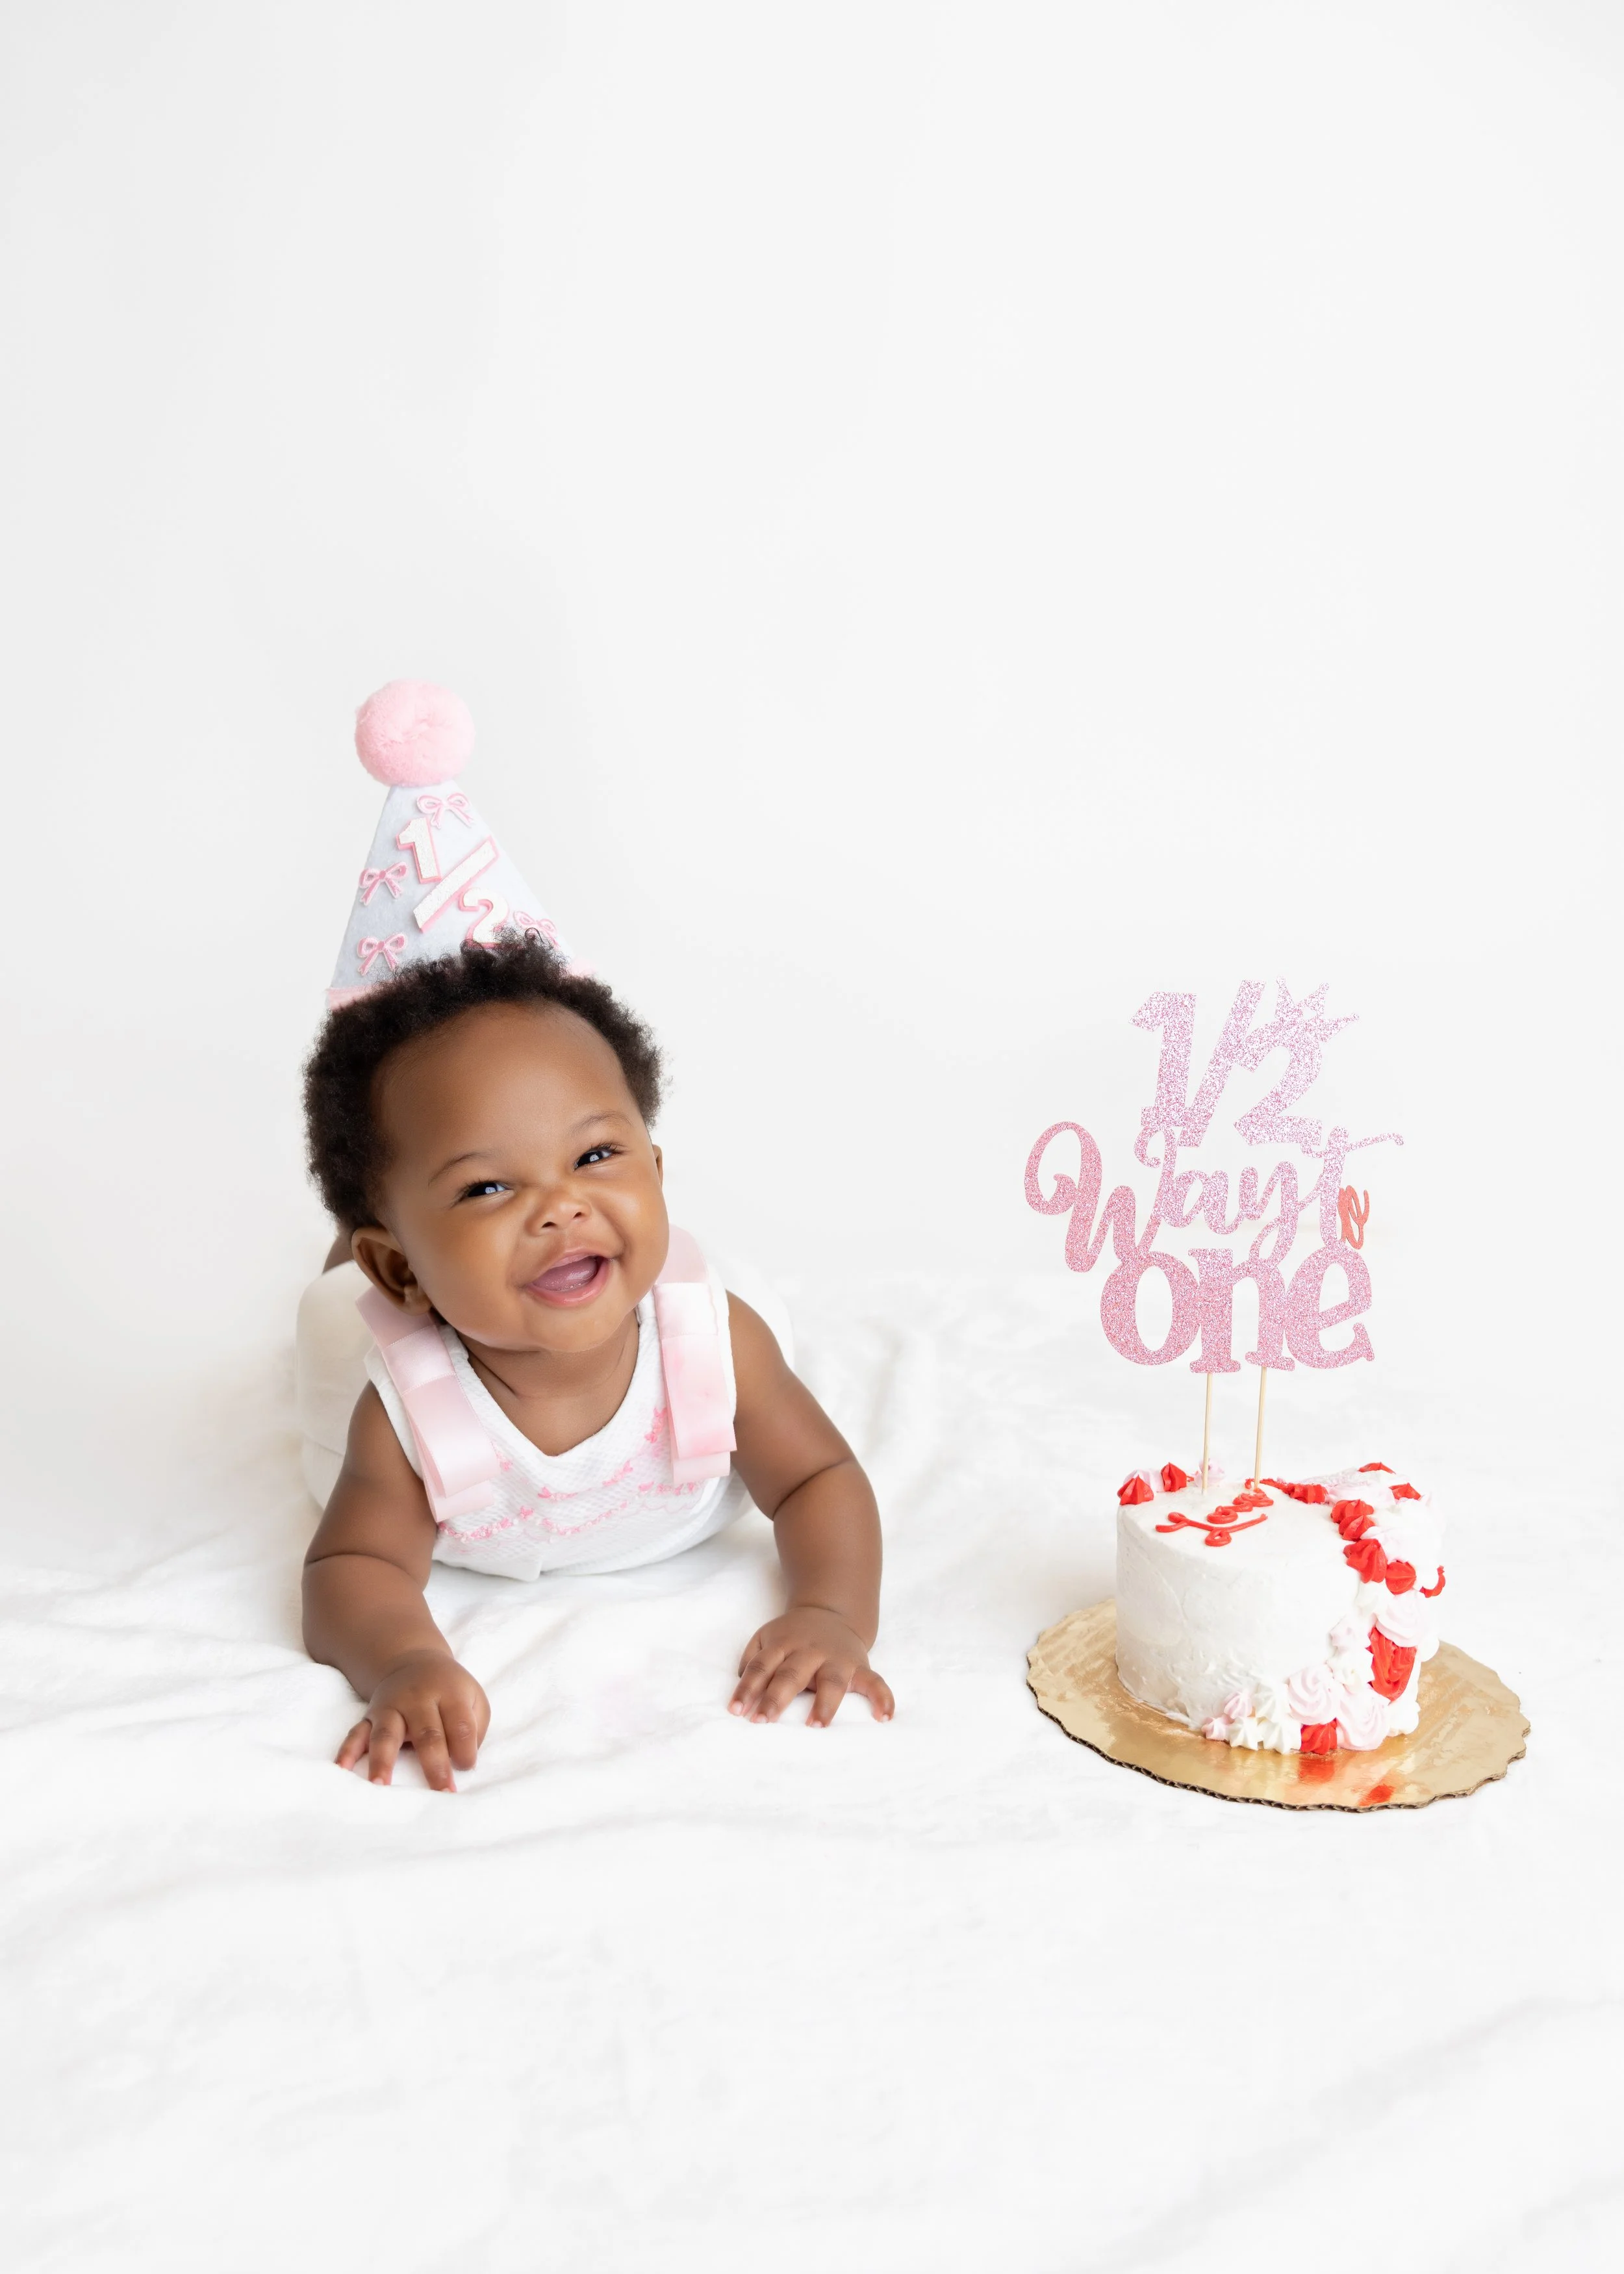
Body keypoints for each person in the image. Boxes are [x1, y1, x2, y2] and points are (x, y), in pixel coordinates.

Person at [300, 934, 893, 1788]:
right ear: (399, 1269)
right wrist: (402, 1661)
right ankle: (353, 1263)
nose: (561, 1208)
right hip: (423, 1363)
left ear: (655, 1171)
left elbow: (819, 1479)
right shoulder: (405, 1411)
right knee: (325, 1325)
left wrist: (831, 1612)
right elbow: (354, 1566)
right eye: (487, 1188)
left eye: (595, 1157)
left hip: (673, 1414)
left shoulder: (715, 1343)